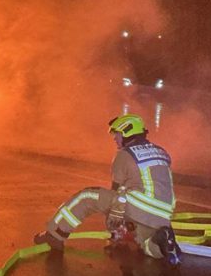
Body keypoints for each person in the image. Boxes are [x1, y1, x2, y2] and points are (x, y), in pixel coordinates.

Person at [34, 113, 182, 266]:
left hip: (139, 204)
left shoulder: (124, 155)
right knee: (145, 243)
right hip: (163, 212)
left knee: (87, 197)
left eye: (117, 133)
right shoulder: (160, 151)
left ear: (126, 132)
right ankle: (161, 242)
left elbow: (117, 191)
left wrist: (114, 227)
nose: (114, 138)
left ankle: (54, 234)